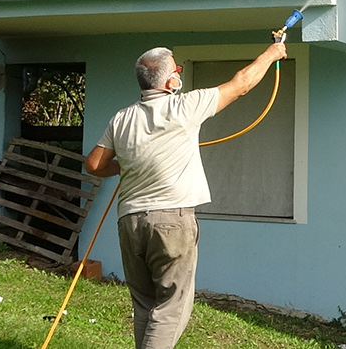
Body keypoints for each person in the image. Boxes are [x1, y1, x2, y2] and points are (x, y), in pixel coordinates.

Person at [84, 41, 287, 349]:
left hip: (130, 222)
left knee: (146, 305)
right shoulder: (186, 106)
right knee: (171, 307)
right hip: (171, 222)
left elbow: (94, 164)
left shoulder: (122, 118)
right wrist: (273, 53)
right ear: (170, 81)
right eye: (177, 69)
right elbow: (242, 84)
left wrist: (124, 166)